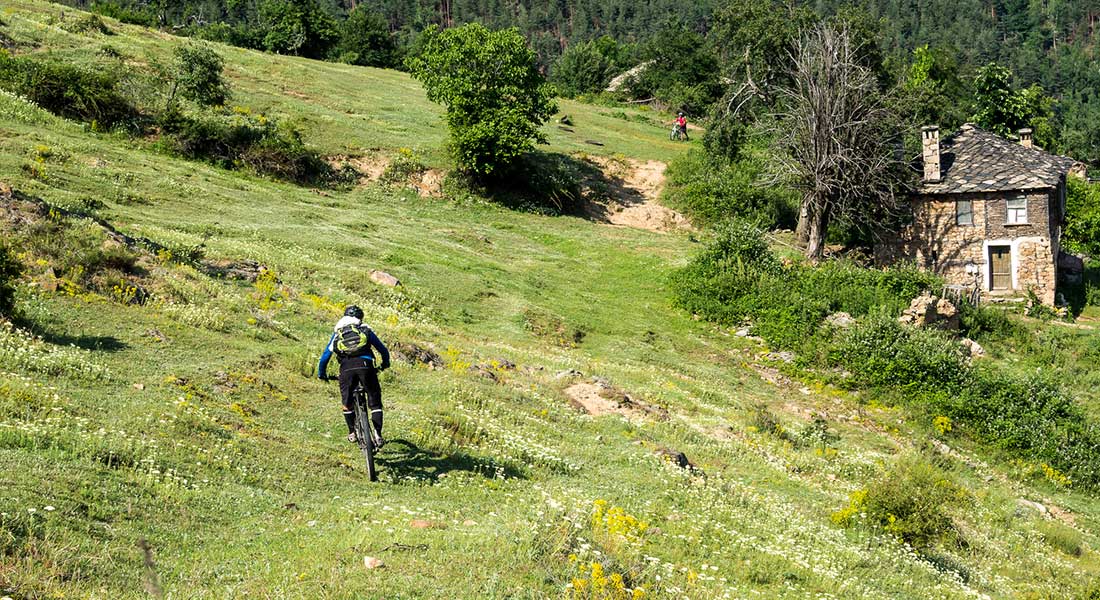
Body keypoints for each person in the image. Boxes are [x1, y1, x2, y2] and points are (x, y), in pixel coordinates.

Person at [318, 305, 390, 445]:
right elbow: (383, 350)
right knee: (375, 402)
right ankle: (377, 434)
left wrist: (322, 374)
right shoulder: (364, 329)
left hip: (346, 369)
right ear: (360, 318)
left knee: (347, 403)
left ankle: (352, 432)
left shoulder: (338, 332)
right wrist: (385, 364)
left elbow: (325, 356)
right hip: (366, 366)